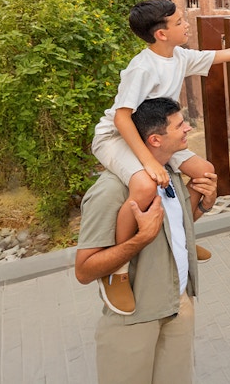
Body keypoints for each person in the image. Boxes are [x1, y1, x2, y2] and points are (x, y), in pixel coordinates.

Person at [91, 0, 230, 314]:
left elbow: (224, 55)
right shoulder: (142, 67)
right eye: (179, 22)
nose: (185, 24)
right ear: (161, 34)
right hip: (118, 138)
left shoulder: (178, 56)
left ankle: (183, 236)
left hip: (159, 137)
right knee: (144, 186)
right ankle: (117, 270)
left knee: (205, 171)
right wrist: (149, 163)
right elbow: (123, 117)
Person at [75, 97, 218, 384]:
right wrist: (140, 239)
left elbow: (172, 229)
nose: (188, 129)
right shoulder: (111, 192)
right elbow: (84, 270)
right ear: (155, 139)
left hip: (178, 305)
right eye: (180, 125)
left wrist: (202, 205)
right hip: (134, 319)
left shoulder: (172, 175)